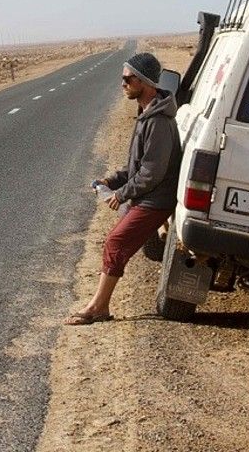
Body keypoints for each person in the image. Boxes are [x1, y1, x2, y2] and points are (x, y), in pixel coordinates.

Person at [65, 51, 181, 325]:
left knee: (116, 242)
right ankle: (98, 305)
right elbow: (136, 167)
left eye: (128, 78)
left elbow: (151, 174)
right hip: (148, 196)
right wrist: (112, 181)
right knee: (116, 243)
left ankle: (98, 308)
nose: (123, 83)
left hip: (157, 200)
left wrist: (121, 194)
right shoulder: (147, 115)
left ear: (144, 81)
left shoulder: (158, 122)